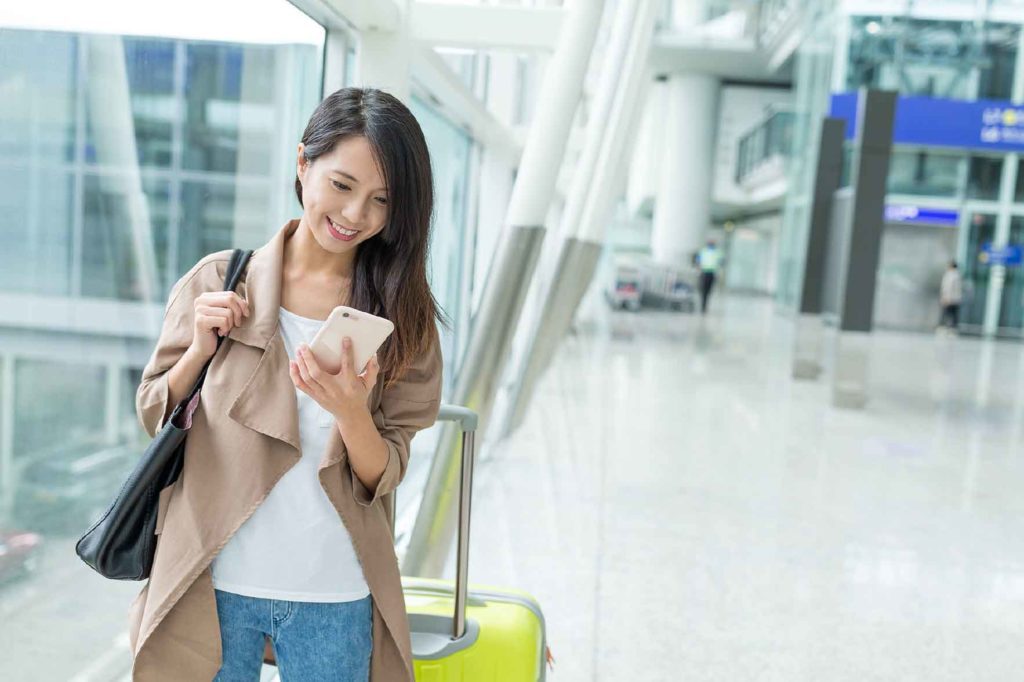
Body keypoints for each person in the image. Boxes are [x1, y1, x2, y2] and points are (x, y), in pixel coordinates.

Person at [128, 88, 444, 682]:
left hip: (334, 589)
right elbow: (153, 412)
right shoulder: (220, 281)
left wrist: (352, 414)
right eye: (342, 186)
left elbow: (385, 472)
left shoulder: (403, 318)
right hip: (211, 581)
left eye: (381, 201)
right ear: (304, 164)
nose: (355, 216)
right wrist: (200, 348)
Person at [696, 239, 723, 314]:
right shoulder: (703, 251)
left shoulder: (718, 252)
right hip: (704, 272)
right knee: (703, 289)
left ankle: (704, 305)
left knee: (708, 290)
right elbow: (698, 260)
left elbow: (720, 262)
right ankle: (703, 305)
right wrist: (698, 269)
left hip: (712, 273)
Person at [939, 260, 963, 332]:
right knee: (954, 314)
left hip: (950, 298)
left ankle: (943, 327)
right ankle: (953, 328)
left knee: (946, 313)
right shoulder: (958, 275)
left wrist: (946, 297)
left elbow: (948, 287)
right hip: (956, 299)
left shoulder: (950, 275)